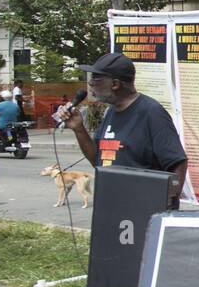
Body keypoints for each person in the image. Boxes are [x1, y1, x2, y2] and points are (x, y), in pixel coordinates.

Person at [56, 52, 188, 208]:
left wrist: (163, 207)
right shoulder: (111, 112)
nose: (90, 83)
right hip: (114, 208)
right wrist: (79, 129)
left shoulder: (151, 113)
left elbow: (178, 163)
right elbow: (97, 161)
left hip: (143, 212)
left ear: (115, 84)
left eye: (96, 78)